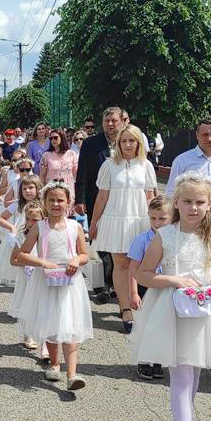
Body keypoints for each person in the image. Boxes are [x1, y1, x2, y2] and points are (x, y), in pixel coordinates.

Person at [130, 172, 211, 421]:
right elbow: (143, 274)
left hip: (207, 314)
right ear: (177, 203)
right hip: (172, 313)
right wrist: (173, 279)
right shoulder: (165, 236)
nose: (194, 207)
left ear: (209, 204)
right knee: (181, 373)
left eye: (200, 202)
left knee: (194, 370)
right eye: (188, 201)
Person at [16, 180, 93, 391]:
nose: (56, 204)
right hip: (47, 282)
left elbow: (85, 254)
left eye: (60, 200)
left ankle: (72, 374)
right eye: (51, 200)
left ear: (68, 202)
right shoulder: (39, 228)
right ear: (44, 202)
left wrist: (76, 260)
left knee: (70, 325)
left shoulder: (75, 227)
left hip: (70, 284)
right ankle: (54, 362)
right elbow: (22, 254)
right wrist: (42, 262)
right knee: (51, 323)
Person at [89, 125, 157, 332]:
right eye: (123, 141)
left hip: (139, 219)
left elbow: (150, 197)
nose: (127, 145)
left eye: (132, 141)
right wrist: (93, 223)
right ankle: (125, 308)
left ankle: (140, 303)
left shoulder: (146, 165)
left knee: (138, 263)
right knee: (120, 263)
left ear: (138, 143)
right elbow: (102, 196)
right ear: (118, 143)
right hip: (114, 219)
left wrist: (157, 224)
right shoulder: (109, 166)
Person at [75, 107, 125, 303]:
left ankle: (116, 282)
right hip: (96, 199)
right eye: (107, 121)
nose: (110, 124)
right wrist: (79, 200)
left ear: (122, 121)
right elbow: (82, 173)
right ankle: (103, 285)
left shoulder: (128, 142)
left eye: (114, 120)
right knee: (100, 240)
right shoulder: (90, 144)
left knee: (119, 242)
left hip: (122, 201)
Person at [127, 195, 172, 380]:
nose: (157, 222)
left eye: (162, 218)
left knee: (162, 325)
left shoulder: (173, 239)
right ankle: (144, 360)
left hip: (166, 287)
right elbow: (133, 269)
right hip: (146, 288)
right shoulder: (141, 240)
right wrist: (133, 292)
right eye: (153, 218)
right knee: (146, 325)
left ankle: (158, 360)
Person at [165, 115, 211, 202]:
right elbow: (171, 193)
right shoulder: (182, 161)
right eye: (205, 134)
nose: (209, 138)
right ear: (197, 135)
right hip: (192, 213)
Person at [0, 175, 43, 287]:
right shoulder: (18, 204)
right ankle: (20, 280)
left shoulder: (43, 205)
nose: (27, 191)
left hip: (38, 236)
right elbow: (0, 218)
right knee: (18, 257)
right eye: (24, 189)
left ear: (38, 188)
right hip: (20, 234)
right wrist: (11, 227)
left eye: (30, 188)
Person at [8, 201, 45, 350]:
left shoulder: (47, 235)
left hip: (43, 276)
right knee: (27, 305)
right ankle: (27, 335)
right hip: (27, 276)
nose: (30, 223)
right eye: (28, 219)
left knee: (42, 306)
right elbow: (13, 260)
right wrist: (26, 265)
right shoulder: (22, 237)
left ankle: (45, 341)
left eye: (35, 220)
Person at [40, 128, 78, 194]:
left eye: (55, 137)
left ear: (62, 137)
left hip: (68, 191)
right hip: (51, 191)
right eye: (51, 138)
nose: (53, 140)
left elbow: (76, 175)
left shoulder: (71, 154)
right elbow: (42, 176)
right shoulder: (46, 155)